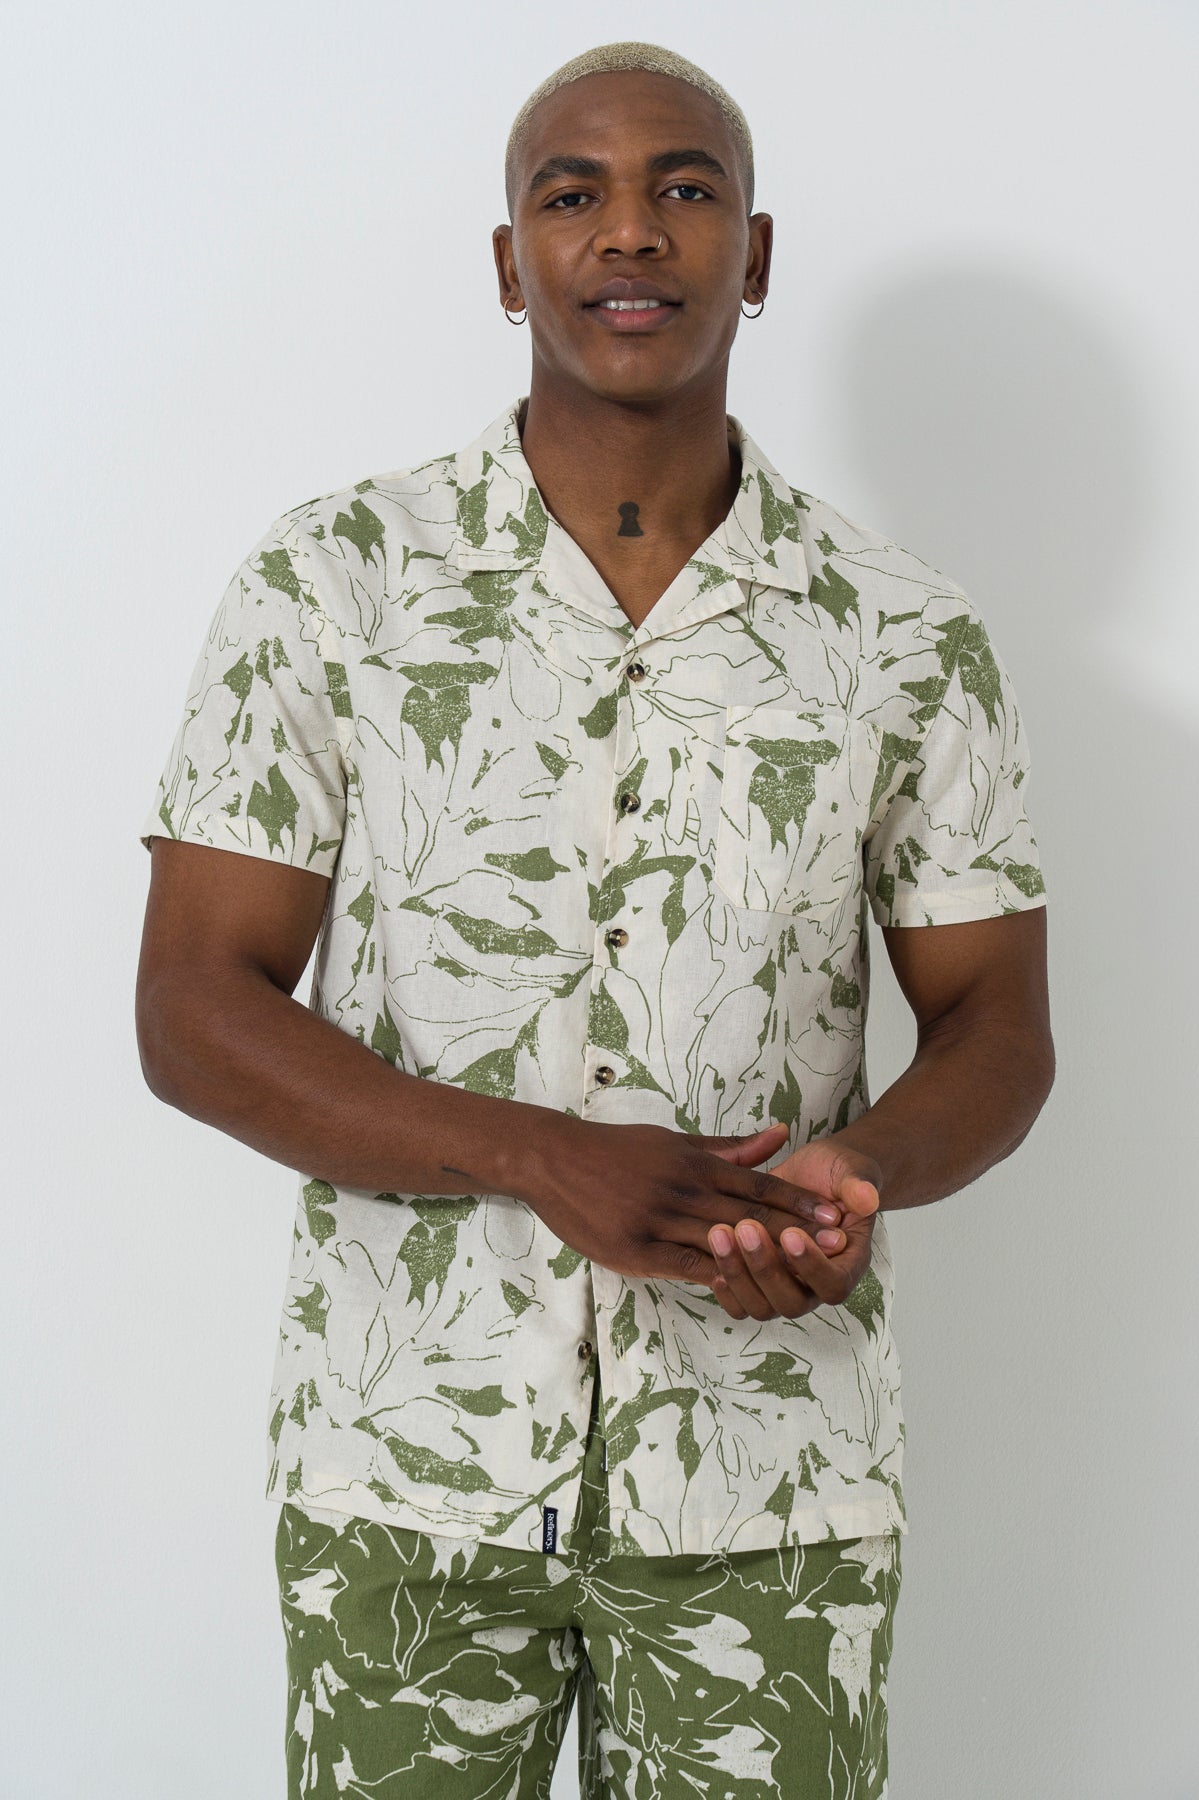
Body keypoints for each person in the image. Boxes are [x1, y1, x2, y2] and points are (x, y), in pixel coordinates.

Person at [135, 38, 1054, 1800]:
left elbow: (999, 1025)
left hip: (773, 1485)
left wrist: (857, 1179)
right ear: (512, 264)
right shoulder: (333, 584)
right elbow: (192, 1009)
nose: (631, 231)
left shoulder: (906, 633)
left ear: (754, 256)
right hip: (406, 1475)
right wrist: (539, 1155)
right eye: (575, 195)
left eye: (683, 190)